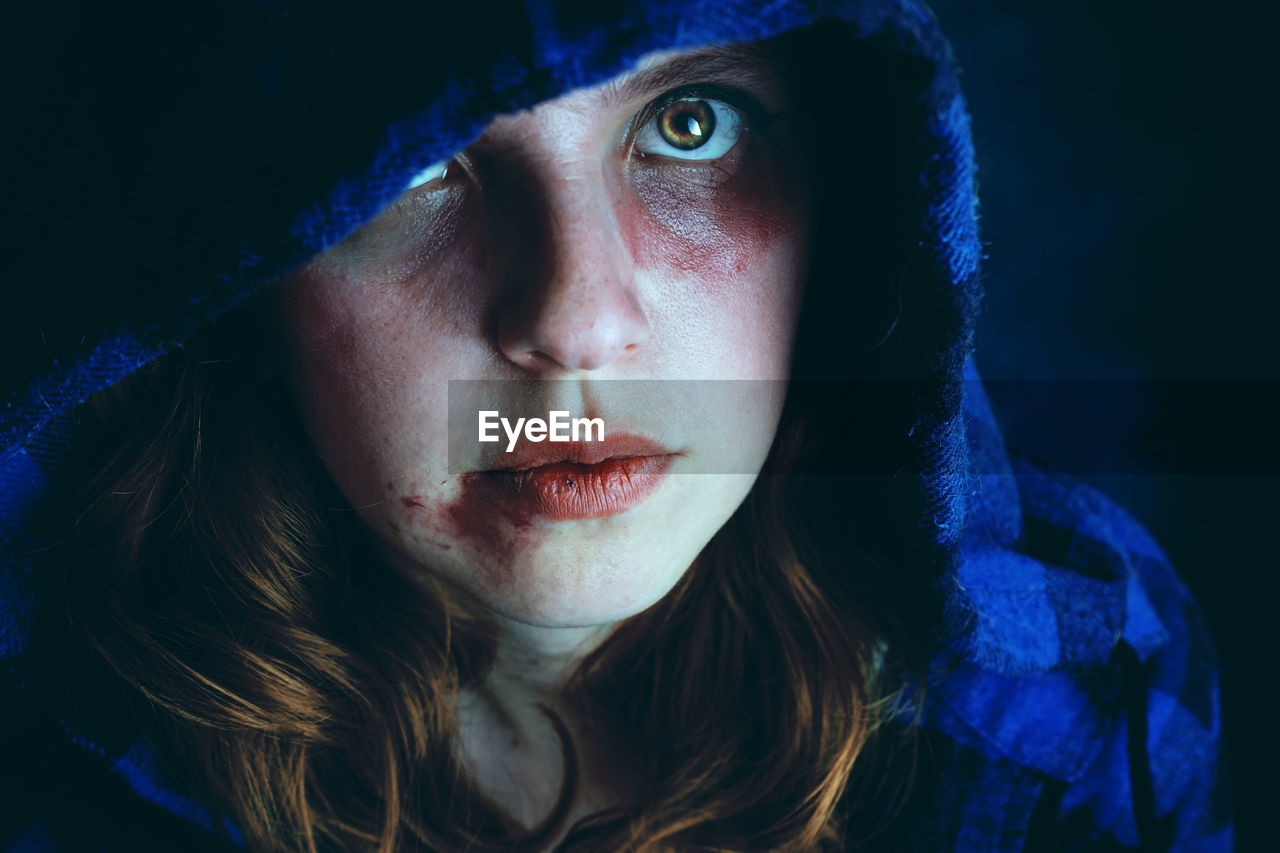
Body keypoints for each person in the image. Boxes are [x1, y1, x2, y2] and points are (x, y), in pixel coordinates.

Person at [0, 1, 1231, 850]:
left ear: (850, 203)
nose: (577, 321)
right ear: (233, 275)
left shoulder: (1078, 672)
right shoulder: (51, 710)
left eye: (688, 124)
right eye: (410, 168)